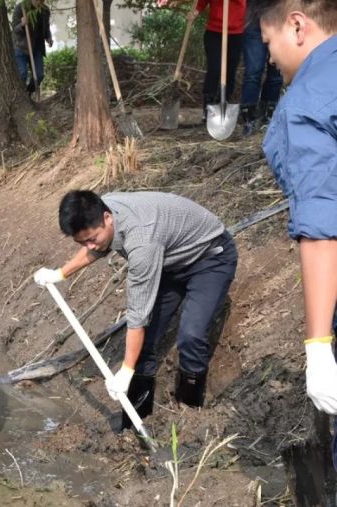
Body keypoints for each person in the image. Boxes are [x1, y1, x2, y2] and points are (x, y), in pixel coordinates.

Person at [34, 191, 237, 429]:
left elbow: (137, 316)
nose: (89, 246)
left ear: (107, 218)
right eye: (82, 243)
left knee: (191, 336)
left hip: (210, 258)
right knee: (144, 343)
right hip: (170, 261)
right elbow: (95, 247)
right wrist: (60, 274)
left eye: (92, 239)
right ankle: (135, 425)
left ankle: (189, 420)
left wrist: (126, 370)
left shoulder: (141, 241)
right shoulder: (101, 210)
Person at [250, 0, 337, 464]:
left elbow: (323, 224)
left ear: (297, 25)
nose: (268, 57)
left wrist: (319, 347)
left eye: (268, 43)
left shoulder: (305, 104)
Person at [188, 0, 247, 121]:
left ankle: (223, 102)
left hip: (236, 33)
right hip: (214, 32)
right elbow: (201, 2)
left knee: (230, 71)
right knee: (214, 68)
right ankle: (208, 107)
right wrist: (195, 11)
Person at [240, 11, 283, 136]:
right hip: (255, 20)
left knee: (276, 73)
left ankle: (267, 117)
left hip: (281, 20)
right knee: (253, 72)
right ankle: (249, 119)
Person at [11, 0, 53, 96]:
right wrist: (22, 24)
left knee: (39, 75)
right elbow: (14, 28)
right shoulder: (21, 7)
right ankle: (20, 96)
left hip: (37, 48)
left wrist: (48, 37)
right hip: (21, 47)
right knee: (22, 74)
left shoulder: (45, 10)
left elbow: (46, 27)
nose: (38, 2)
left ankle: (28, 92)